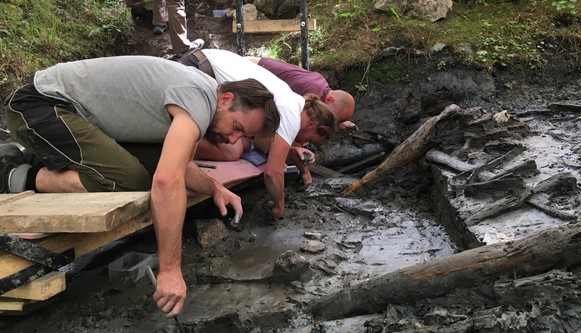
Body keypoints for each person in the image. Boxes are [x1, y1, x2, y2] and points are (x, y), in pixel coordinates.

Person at [1, 55, 280, 317]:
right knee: (128, 180)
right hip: (38, 107)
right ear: (226, 99)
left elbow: (179, 166)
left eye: (243, 136)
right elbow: (166, 181)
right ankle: (14, 174)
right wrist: (170, 270)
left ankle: (40, 158)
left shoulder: (202, 97)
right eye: (237, 127)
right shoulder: (199, 98)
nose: (234, 141)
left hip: (72, 116)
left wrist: (214, 188)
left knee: (146, 168)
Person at [179, 49, 337, 219]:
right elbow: (273, 173)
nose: (304, 142)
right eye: (309, 139)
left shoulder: (291, 101)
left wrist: (291, 151)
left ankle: (184, 141)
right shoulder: (291, 112)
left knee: (243, 143)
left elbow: (260, 143)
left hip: (202, 62)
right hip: (198, 71)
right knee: (231, 150)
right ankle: (175, 146)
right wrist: (279, 207)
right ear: (312, 124)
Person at [245, 56, 356, 131]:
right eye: (333, 118)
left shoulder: (322, 87)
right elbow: (291, 123)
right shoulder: (313, 91)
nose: (330, 121)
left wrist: (337, 125)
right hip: (246, 70)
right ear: (330, 100)